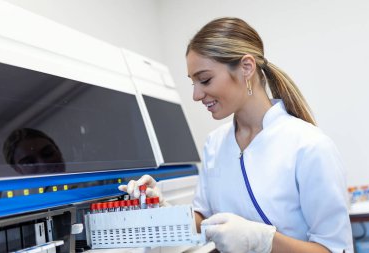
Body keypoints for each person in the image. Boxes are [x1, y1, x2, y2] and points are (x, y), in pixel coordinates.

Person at [119, 17, 353, 253]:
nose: (196, 95)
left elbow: (334, 249)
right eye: (193, 83)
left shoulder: (309, 146)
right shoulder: (215, 144)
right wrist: (163, 210)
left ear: (246, 68)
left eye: (205, 80)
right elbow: (204, 220)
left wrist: (264, 240)